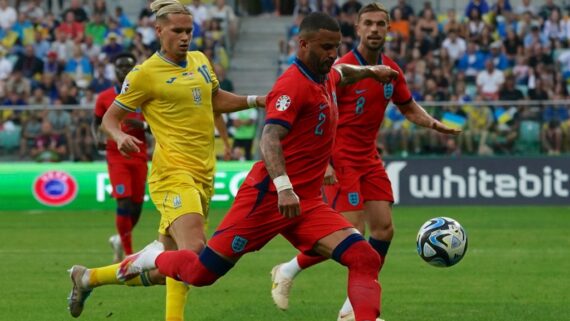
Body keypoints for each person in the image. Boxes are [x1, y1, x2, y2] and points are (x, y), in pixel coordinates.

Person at [114, 12, 400, 321]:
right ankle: (156, 256)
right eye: (325, 47)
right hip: (267, 199)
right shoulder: (292, 85)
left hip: (307, 204)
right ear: (303, 44)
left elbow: (345, 72)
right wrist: (284, 188)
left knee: (364, 257)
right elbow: (270, 138)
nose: (332, 54)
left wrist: (373, 71)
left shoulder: (328, 74)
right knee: (200, 273)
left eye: (335, 46)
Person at [67, 1, 265, 321]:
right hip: (172, 172)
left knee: (171, 265)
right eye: (177, 31)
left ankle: (88, 277)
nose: (185, 37)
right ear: (159, 31)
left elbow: (215, 101)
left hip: (203, 172)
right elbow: (109, 119)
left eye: (189, 31)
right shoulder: (144, 74)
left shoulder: (200, 60)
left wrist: (257, 100)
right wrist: (119, 137)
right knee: (195, 254)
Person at [269, 4, 460, 321]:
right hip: (340, 157)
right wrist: (325, 162)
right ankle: (289, 271)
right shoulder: (340, 69)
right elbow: (321, 114)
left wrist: (434, 124)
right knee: (352, 235)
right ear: (357, 29)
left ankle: (348, 308)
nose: (374, 29)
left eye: (380, 24)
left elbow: (408, 106)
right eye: (368, 24)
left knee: (383, 230)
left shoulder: (390, 70)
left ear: (388, 29)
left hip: (369, 157)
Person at [92, 52, 148, 264]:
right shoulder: (105, 97)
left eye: (129, 67)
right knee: (123, 202)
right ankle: (128, 252)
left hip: (140, 154)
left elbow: (157, 126)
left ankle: (119, 238)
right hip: (116, 155)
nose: (124, 71)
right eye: (121, 67)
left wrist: (142, 125)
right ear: (114, 71)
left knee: (136, 206)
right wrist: (97, 137)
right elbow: (95, 121)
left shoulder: (145, 95)